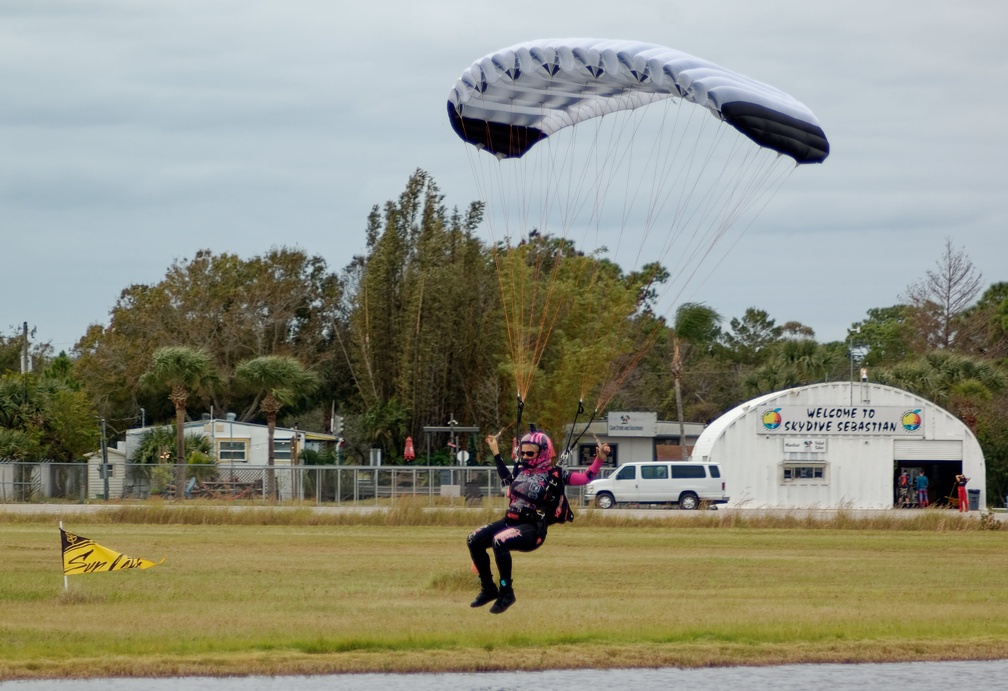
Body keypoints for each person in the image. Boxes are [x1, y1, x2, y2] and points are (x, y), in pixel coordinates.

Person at [466, 429, 609, 614]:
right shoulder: (521, 470)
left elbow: (585, 478)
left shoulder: (555, 475)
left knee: (499, 541)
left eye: (530, 453)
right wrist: (496, 452)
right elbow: (506, 477)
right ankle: (488, 589)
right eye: (522, 452)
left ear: (542, 452)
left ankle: (506, 592)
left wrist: (599, 459)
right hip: (510, 521)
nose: (525, 456)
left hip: (533, 529)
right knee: (473, 539)